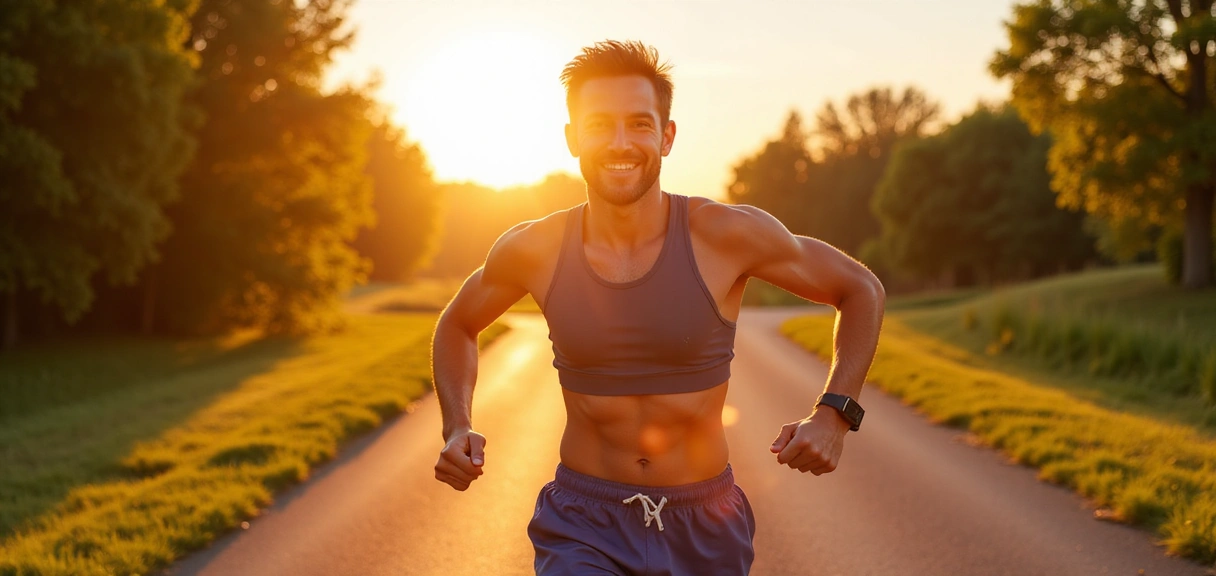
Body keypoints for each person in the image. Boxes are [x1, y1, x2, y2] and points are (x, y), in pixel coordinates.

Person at [432, 40, 885, 575]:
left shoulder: (725, 235)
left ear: (667, 136)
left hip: (706, 523)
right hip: (583, 523)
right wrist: (457, 426)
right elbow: (458, 323)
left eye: (639, 124)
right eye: (599, 125)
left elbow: (860, 289)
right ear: (573, 138)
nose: (620, 142)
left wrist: (835, 415)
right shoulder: (534, 248)